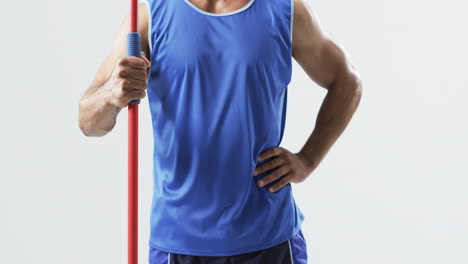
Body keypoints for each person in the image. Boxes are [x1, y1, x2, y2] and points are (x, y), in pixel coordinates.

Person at [78, 0, 362, 263]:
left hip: (269, 238)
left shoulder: (285, 9)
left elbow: (347, 82)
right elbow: (88, 121)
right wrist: (110, 95)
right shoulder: (150, 11)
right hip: (178, 242)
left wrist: (308, 159)